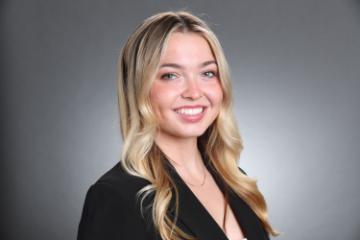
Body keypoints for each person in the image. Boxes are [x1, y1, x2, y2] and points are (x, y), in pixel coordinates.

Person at [77, 11, 278, 240]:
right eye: (171, 75)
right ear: (138, 87)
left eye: (208, 73)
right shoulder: (116, 196)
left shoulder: (236, 181)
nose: (194, 92)